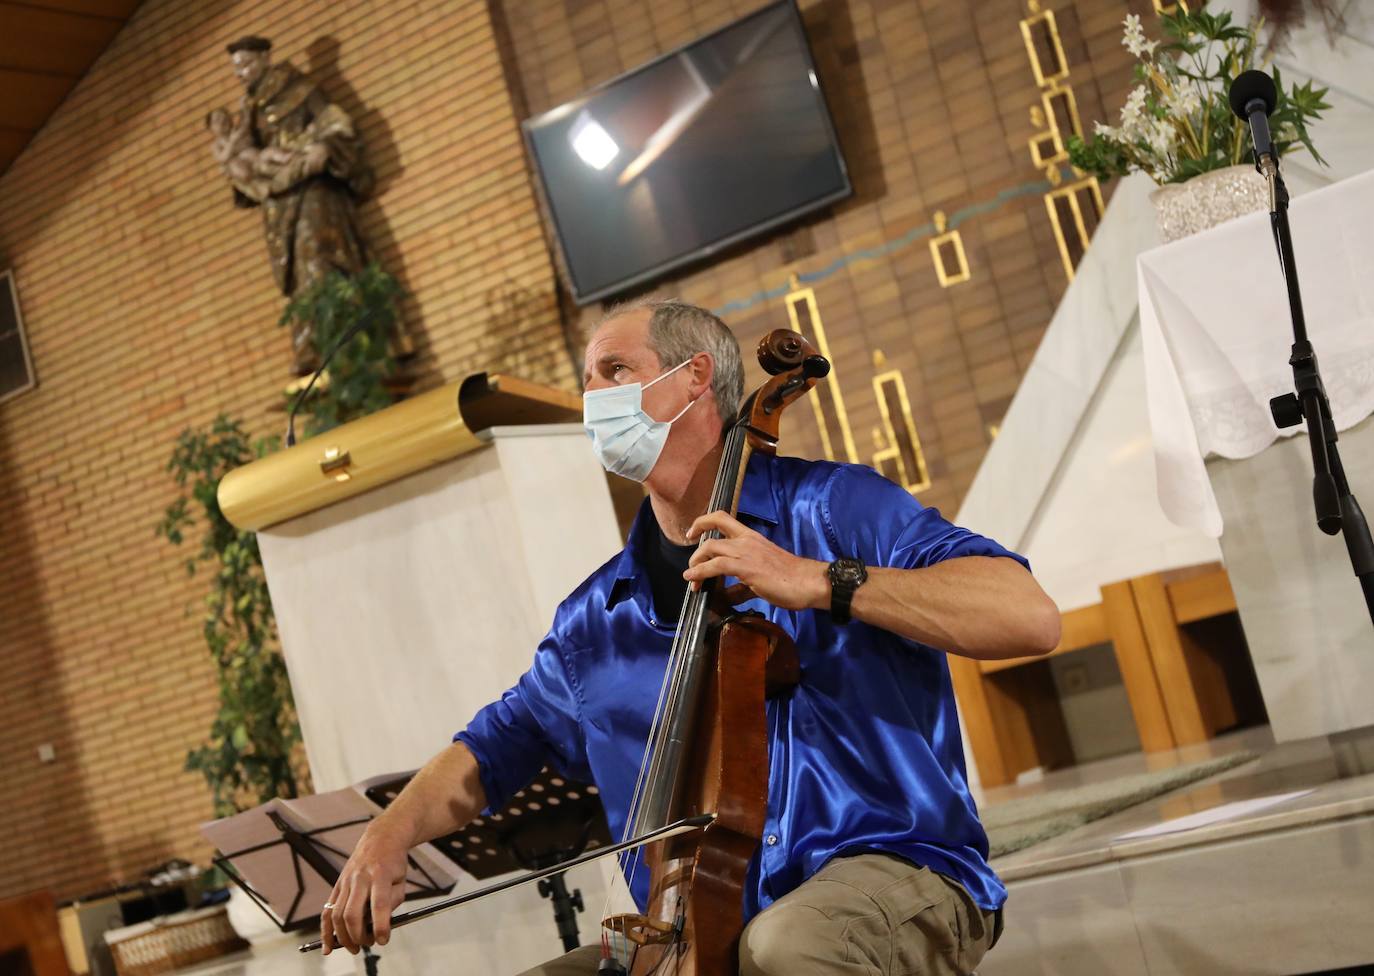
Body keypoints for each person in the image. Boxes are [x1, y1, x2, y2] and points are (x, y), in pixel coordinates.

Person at [321, 299, 1061, 974]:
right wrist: (388, 837)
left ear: (694, 378)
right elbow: (491, 747)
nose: (594, 399)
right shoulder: (594, 620)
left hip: (899, 872)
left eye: (616, 371)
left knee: (788, 944)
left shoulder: (833, 508)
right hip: (692, 926)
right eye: (587, 381)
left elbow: (1027, 614)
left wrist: (819, 581)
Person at [219, 35, 374, 374]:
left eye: (245, 64)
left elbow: (338, 126)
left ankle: (344, 346)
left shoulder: (301, 89)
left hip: (314, 192)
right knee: (299, 278)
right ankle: (312, 353)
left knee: (320, 258)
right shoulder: (250, 108)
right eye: (236, 68)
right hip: (280, 201)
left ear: (265, 58)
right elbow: (241, 155)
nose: (240, 74)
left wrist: (324, 148)